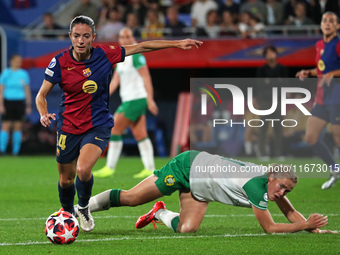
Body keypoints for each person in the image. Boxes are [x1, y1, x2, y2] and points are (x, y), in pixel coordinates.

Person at [35, 15, 202, 232]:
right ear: (70, 36)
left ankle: (83, 207)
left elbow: (142, 47)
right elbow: (41, 95)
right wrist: (43, 113)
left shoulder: (105, 54)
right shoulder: (59, 62)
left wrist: (177, 43)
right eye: (76, 36)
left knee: (83, 169)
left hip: (98, 124)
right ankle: (67, 214)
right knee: (66, 180)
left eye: (86, 36)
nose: (81, 41)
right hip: (68, 126)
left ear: (93, 37)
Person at [81, 150, 336, 234]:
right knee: (131, 198)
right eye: (281, 186)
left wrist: (313, 226)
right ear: (271, 177)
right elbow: (270, 228)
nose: (282, 193)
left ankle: (159, 213)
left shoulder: (270, 186)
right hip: (187, 168)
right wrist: (305, 225)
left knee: (187, 229)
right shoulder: (256, 184)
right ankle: (79, 208)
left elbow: (289, 211)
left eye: (287, 189)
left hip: (201, 190)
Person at [93, 27, 158, 179]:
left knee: (114, 128)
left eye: (128, 36)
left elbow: (146, 77)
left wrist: (150, 99)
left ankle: (110, 167)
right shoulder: (122, 56)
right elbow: (116, 80)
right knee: (140, 134)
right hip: (131, 99)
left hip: (136, 99)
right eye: (122, 37)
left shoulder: (136, 56)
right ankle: (150, 168)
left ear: (132, 37)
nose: (125, 39)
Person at [296, 12, 340, 189]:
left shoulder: (338, 44)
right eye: (324, 21)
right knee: (311, 137)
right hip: (322, 98)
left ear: (337, 26)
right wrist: (309, 72)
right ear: (321, 25)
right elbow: (323, 68)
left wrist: (334, 74)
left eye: (332, 21)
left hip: (337, 96)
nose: (327, 24)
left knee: (338, 138)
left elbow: (332, 71)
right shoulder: (319, 45)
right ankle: (334, 168)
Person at [256, 45, 288, 159]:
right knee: (263, 128)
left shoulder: (282, 69)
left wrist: (269, 82)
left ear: (276, 54)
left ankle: (278, 153)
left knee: (278, 128)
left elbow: (285, 85)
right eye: (267, 53)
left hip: (278, 101)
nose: (270, 55)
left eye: (272, 52)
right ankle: (262, 153)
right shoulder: (262, 70)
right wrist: (276, 82)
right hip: (265, 102)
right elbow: (259, 85)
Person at [0, 54, 31, 155]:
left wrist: (28, 105)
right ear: (11, 61)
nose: (19, 62)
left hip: (19, 102)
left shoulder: (23, 74)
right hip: (8, 102)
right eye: (17, 60)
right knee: (6, 125)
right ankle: (2, 150)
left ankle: (15, 151)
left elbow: (27, 91)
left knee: (18, 126)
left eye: (20, 60)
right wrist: (1, 105)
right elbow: (1, 90)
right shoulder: (5, 73)